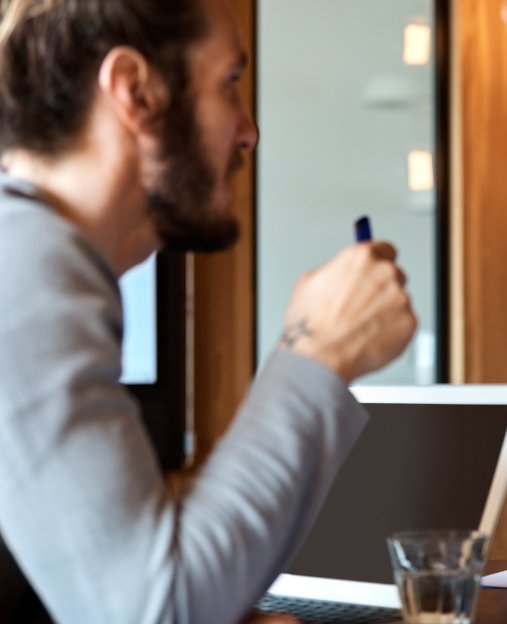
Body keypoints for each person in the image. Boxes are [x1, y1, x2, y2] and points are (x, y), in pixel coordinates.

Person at [0, 0, 416, 622]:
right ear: (135, 91)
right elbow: (157, 609)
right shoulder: (26, 265)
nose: (249, 131)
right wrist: (319, 351)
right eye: (229, 83)